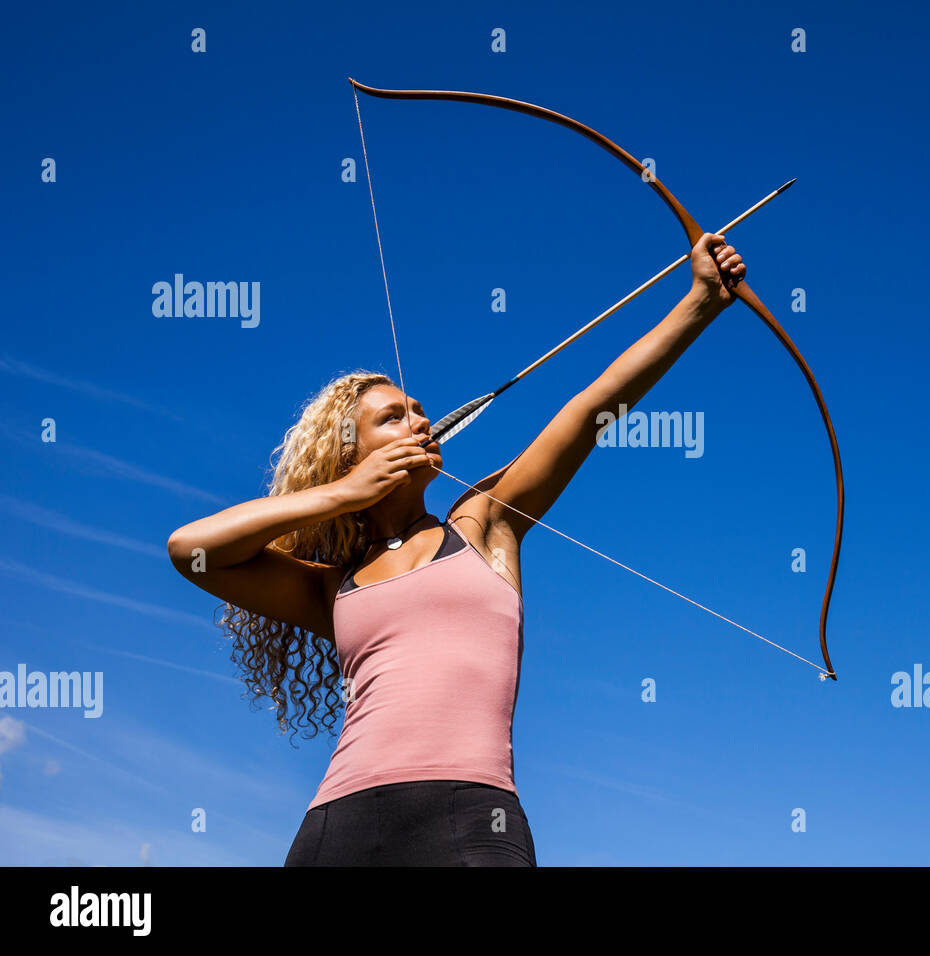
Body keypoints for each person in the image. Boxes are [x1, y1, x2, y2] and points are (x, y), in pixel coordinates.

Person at [167, 232, 747, 865]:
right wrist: (342, 495)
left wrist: (701, 303)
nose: (420, 421)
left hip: (471, 815)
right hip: (338, 824)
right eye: (392, 417)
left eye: (419, 410)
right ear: (346, 454)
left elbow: (591, 408)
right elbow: (190, 549)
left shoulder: (483, 524)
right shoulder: (331, 586)